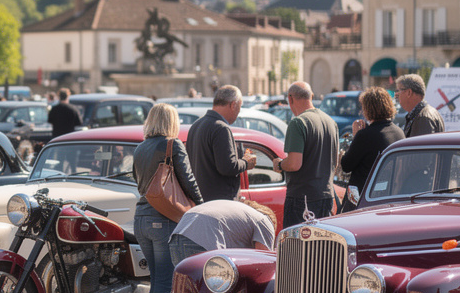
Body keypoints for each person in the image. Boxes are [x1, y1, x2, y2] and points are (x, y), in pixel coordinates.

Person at [131, 103, 203, 293]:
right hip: (164, 219)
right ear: (171, 122)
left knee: (157, 283)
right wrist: (202, 205)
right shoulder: (173, 145)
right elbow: (188, 181)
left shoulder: (140, 148)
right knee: (164, 283)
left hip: (141, 218)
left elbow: (138, 181)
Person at [279, 81, 339, 228]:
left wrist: (279, 164)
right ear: (311, 96)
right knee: (322, 248)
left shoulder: (298, 123)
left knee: (297, 248)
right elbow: (335, 162)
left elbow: (294, 164)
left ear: (290, 99)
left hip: (303, 199)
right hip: (327, 196)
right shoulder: (330, 122)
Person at [186, 85, 256, 202]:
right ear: (233, 105)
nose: (238, 112)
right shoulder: (221, 128)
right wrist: (246, 162)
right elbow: (227, 167)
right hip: (220, 202)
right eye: (239, 107)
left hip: (200, 200)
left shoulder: (196, 125)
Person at [168, 199, 276, 265]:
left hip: (178, 234)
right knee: (211, 291)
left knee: (184, 291)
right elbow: (263, 261)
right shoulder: (264, 221)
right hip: (204, 236)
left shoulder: (243, 213)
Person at [341, 87, 404, 199]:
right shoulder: (399, 133)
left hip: (365, 196)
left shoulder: (365, 135)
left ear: (367, 109)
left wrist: (356, 136)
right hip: (390, 193)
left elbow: (346, 165)